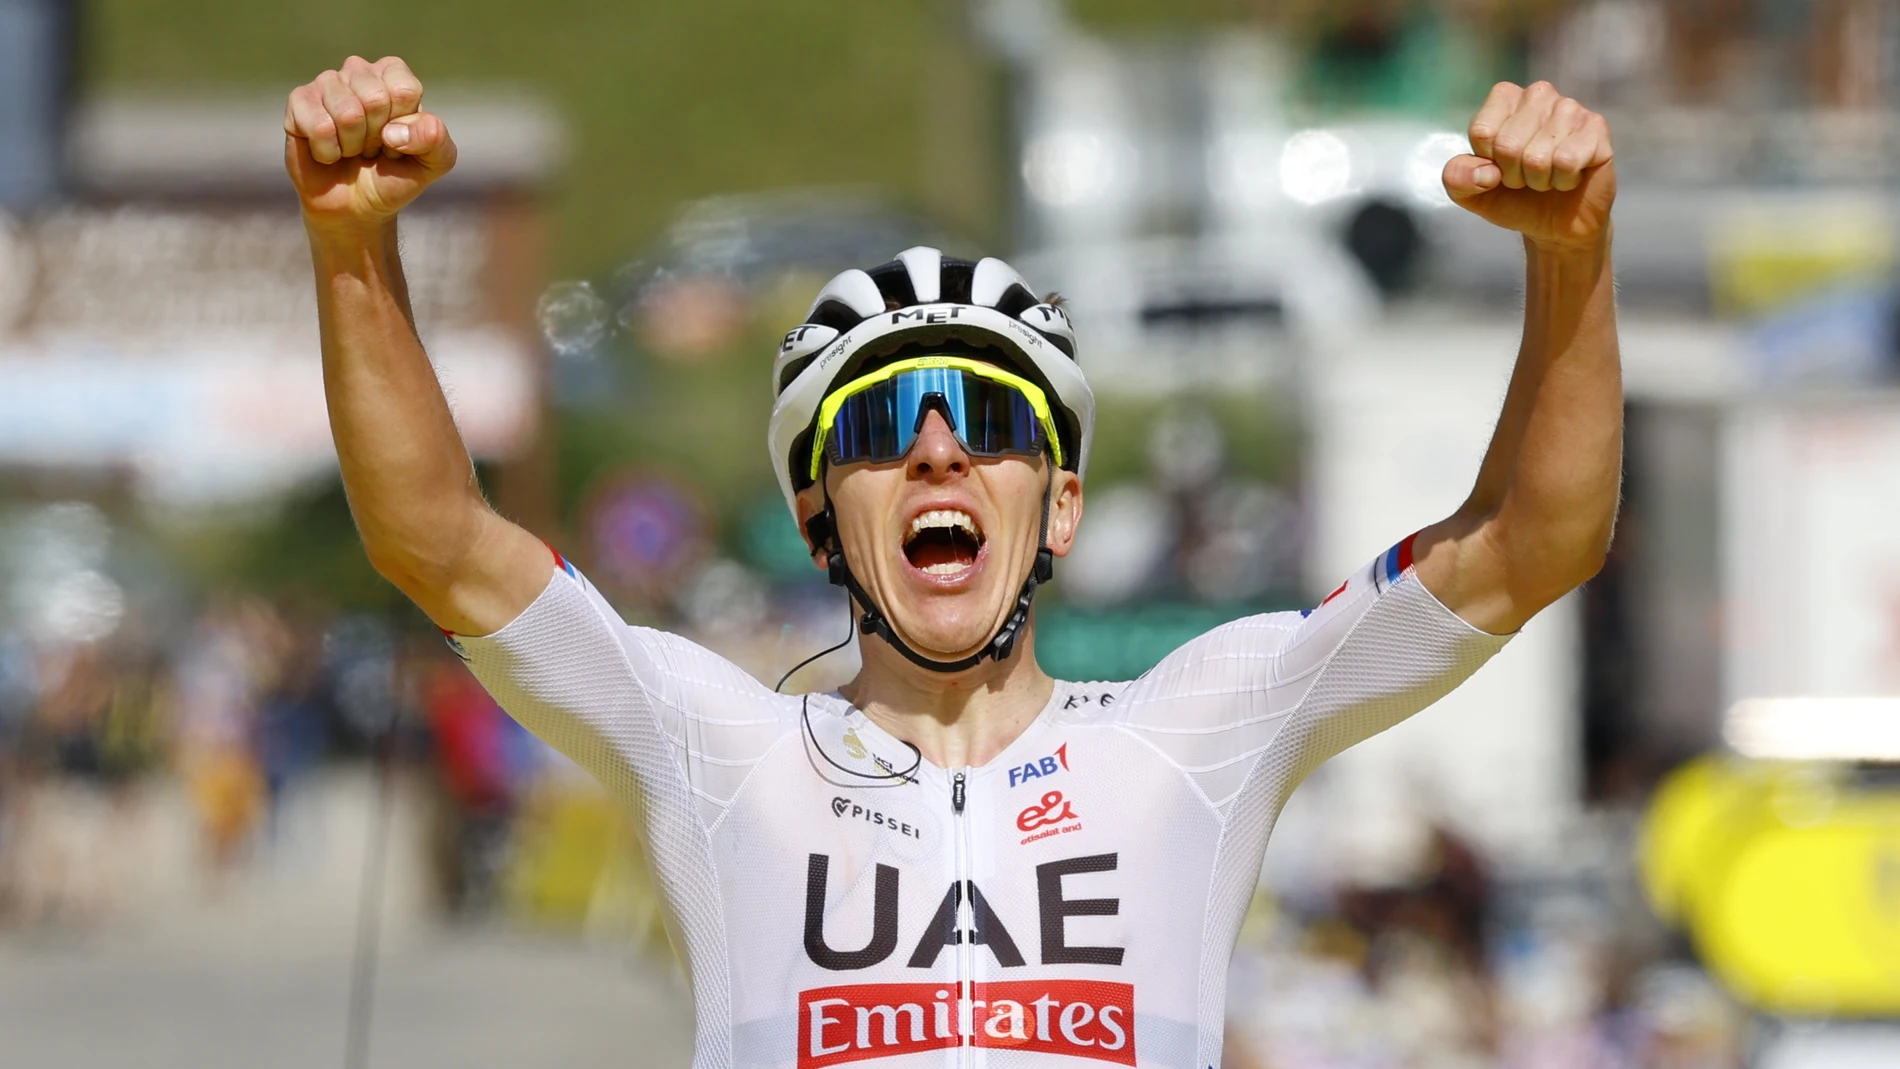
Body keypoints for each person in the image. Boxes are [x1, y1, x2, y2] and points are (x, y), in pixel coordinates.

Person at [287, 56, 1619, 1069]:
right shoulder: (715, 746)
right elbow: (438, 538)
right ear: (818, 524)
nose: (937, 453)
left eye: (991, 423)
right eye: (875, 427)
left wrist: (1571, 262)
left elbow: (1533, 543)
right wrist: (353, 246)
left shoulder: (1200, 725)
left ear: (1063, 509)